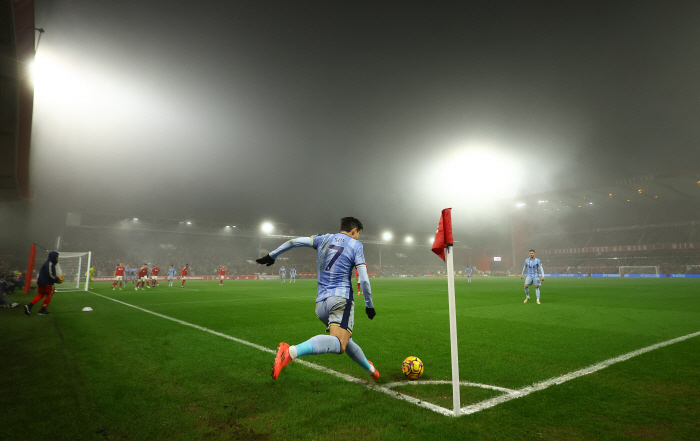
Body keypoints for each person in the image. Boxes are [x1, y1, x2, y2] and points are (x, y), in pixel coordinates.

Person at [256, 217, 379, 380]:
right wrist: (369, 305)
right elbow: (363, 279)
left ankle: (371, 370)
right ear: (354, 231)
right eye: (358, 234)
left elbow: (294, 242)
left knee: (346, 339)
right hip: (340, 300)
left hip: (321, 305)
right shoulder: (356, 245)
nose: (357, 238)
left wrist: (272, 255)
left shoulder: (324, 238)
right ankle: (291, 351)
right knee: (340, 343)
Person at [24, 251, 63, 316]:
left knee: (41, 295)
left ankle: (29, 306)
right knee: (49, 294)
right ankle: (42, 310)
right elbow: (49, 275)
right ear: (54, 257)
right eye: (57, 257)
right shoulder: (50, 264)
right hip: (47, 283)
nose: (57, 258)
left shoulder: (47, 263)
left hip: (41, 282)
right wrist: (57, 280)